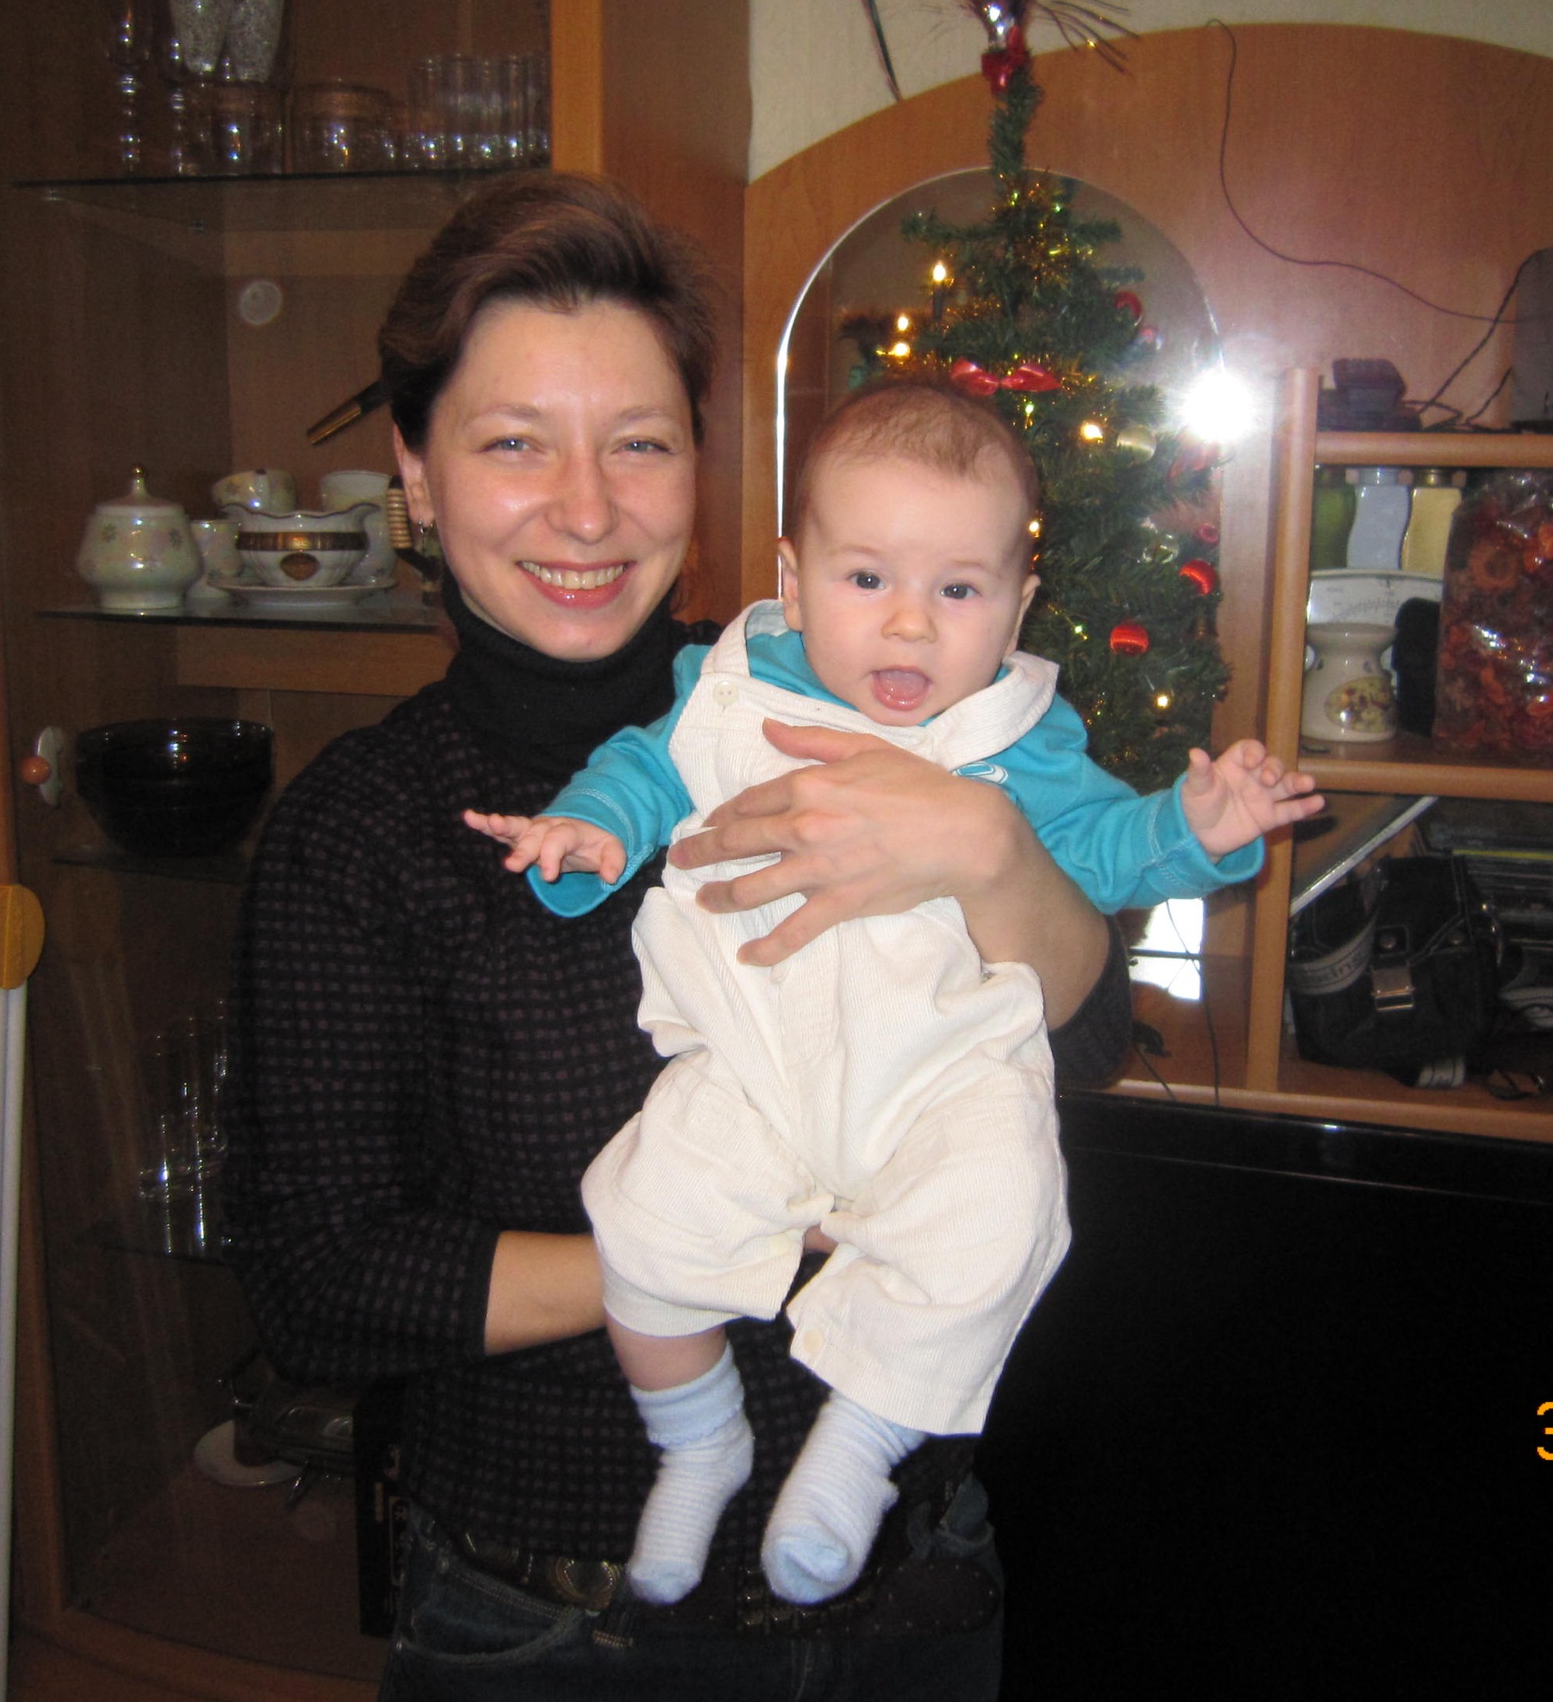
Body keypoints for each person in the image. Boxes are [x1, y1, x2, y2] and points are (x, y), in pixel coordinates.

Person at [226, 172, 1146, 1701]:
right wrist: (736, 1244)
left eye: (640, 443)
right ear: (415, 473)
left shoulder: (849, 697)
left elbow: (1088, 1036)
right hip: (557, 1624)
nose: (587, 510)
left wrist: (988, 852)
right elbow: (322, 1281)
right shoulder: (364, 831)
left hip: (910, 1588)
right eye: (514, 442)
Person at [466, 382, 1322, 1610]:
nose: (910, 626)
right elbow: (643, 770)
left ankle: (858, 1448)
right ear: (793, 577)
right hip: (750, 1064)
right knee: (644, 1225)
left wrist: (1198, 827)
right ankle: (696, 1439)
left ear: (1017, 605)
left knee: (998, 1221)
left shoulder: (1017, 737)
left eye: (959, 591)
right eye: (866, 578)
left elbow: (1100, 854)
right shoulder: (729, 688)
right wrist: (590, 831)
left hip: (942, 1077)